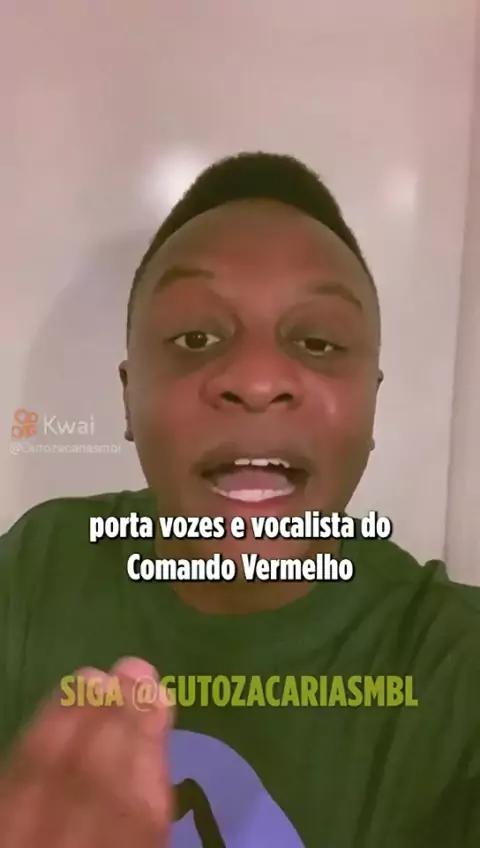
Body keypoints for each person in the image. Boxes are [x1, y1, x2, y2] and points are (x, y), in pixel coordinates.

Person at [1, 151, 480, 847]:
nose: (256, 380)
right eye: (195, 337)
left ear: (371, 406)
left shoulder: (456, 669)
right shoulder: (35, 570)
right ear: (128, 398)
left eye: (319, 341)